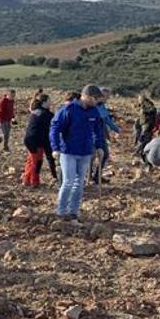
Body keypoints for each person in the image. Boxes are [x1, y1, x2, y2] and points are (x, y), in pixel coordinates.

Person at [50, 85, 107, 221]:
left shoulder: (94, 112)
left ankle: (73, 211)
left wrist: (99, 146)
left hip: (86, 152)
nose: (96, 102)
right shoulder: (68, 109)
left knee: (79, 183)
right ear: (86, 96)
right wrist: (55, 147)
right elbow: (55, 128)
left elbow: (98, 130)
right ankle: (61, 211)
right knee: (68, 182)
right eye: (95, 98)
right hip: (68, 151)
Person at [22, 94, 56, 187]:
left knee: (32, 160)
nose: (51, 102)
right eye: (49, 100)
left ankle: (27, 179)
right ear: (44, 102)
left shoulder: (36, 111)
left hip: (31, 139)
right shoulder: (46, 115)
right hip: (36, 141)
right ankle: (34, 181)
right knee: (37, 162)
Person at [93, 90, 122, 184]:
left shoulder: (102, 107)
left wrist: (117, 129)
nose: (107, 99)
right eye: (106, 97)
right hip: (92, 136)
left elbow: (108, 120)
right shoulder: (92, 107)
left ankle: (97, 176)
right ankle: (90, 177)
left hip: (101, 135)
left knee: (104, 155)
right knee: (90, 158)